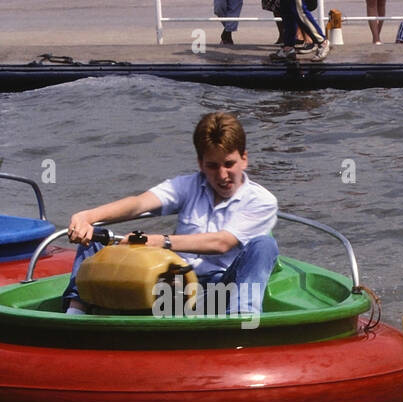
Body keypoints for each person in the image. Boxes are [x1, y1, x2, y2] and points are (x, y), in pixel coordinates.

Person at [63, 112, 279, 319]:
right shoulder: (187, 186)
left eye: (229, 164)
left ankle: (242, 321)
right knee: (95, 235)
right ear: (200, 164)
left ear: (244, 159)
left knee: (264, 245)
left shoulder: (262, 200)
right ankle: (75, 315)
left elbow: (222, 242)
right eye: (212, 166)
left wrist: (161, 241)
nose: (222, 175)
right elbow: (138, 204)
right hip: (176, 283)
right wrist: (87, 217)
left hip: (221, 290)